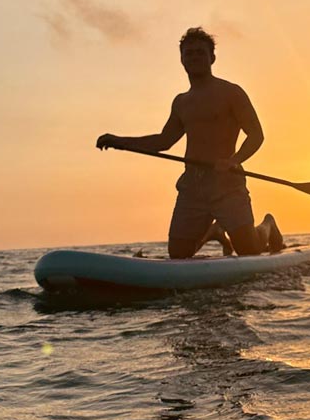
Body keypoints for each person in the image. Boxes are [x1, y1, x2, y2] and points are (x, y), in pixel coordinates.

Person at [96, 27, 285, 259]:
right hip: (192, 188)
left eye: (200, 52)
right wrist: (120, 141)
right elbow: (163, 141)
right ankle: (214, 231)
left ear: (212, 58)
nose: (194, 57)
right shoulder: (181, 102)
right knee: (178, 255)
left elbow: (256, 135)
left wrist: (234, 161)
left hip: (227, 184)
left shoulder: (231, 92)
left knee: (249, 251)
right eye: (189, 53)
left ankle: (268, 225)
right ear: (182, 59)